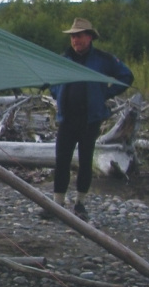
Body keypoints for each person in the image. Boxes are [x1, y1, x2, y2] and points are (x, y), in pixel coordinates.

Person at [48, 17, 133, 220]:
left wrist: (106, 93)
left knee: (85, 161)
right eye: (73, 37)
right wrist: (57, 93)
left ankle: (80, 204)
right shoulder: (63, 58)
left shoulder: (103, 59)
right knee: (62, 161)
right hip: (66, 119)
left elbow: (126, 76)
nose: (76, 40)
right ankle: (57, 204)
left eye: (79, 36)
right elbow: (51, 81)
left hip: (90, 119)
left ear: (89, 37)